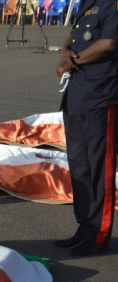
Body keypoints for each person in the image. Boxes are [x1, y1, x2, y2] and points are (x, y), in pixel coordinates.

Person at [54, 0, 118, 255]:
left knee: (98, 167)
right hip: (78, 94)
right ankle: (85, 227)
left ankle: (99, 234)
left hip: (102, 95)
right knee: (80, 165)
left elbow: (110, 43)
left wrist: (70, 61)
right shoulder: (87, 4)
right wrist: (64, 52)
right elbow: (74, 36)